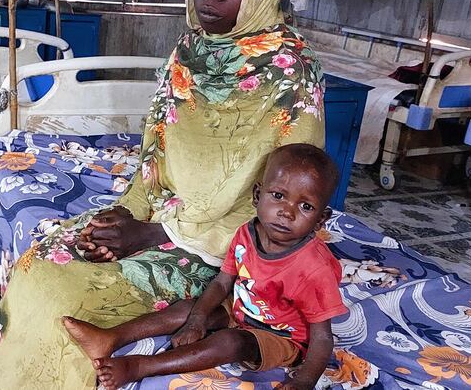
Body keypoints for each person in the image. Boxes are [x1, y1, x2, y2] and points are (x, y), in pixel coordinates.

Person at [0, 0, 326, 389]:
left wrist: (153, 234)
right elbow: (156, 152)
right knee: (37, 261)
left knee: (57, 293)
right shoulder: (189, 50)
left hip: (229, 254)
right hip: (160, 217)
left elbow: (283, 201)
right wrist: (124, 220)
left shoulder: (291, 70)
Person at [62, 143, 347, 390]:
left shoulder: (314, 268)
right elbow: (223, 283)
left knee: (230, 343)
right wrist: (198, 319)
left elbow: (322, 336)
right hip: (242, 309)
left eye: (306, 207)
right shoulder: (247, 233)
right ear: (257, 195)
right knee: (188, 308)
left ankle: (138, 367)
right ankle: (110, 338)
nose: (287, 211)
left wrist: (305, 380)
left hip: (282, 338)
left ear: (321, 220)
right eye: (278, 195)